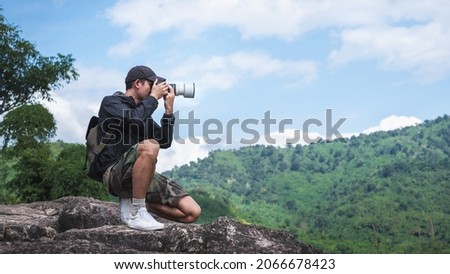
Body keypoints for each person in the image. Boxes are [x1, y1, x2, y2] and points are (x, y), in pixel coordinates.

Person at [91, 65, 201, 231]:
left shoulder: (143, 114)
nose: (155, 89)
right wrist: (153, 98)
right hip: (112, 174)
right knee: (149, 146)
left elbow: (164, 141)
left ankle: (136, 201)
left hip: (137, 175)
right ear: (137, 83)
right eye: (152, 85)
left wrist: (169, 111)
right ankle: (137, 211)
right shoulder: (111, 102)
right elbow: (133, 119)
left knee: (192, 212)